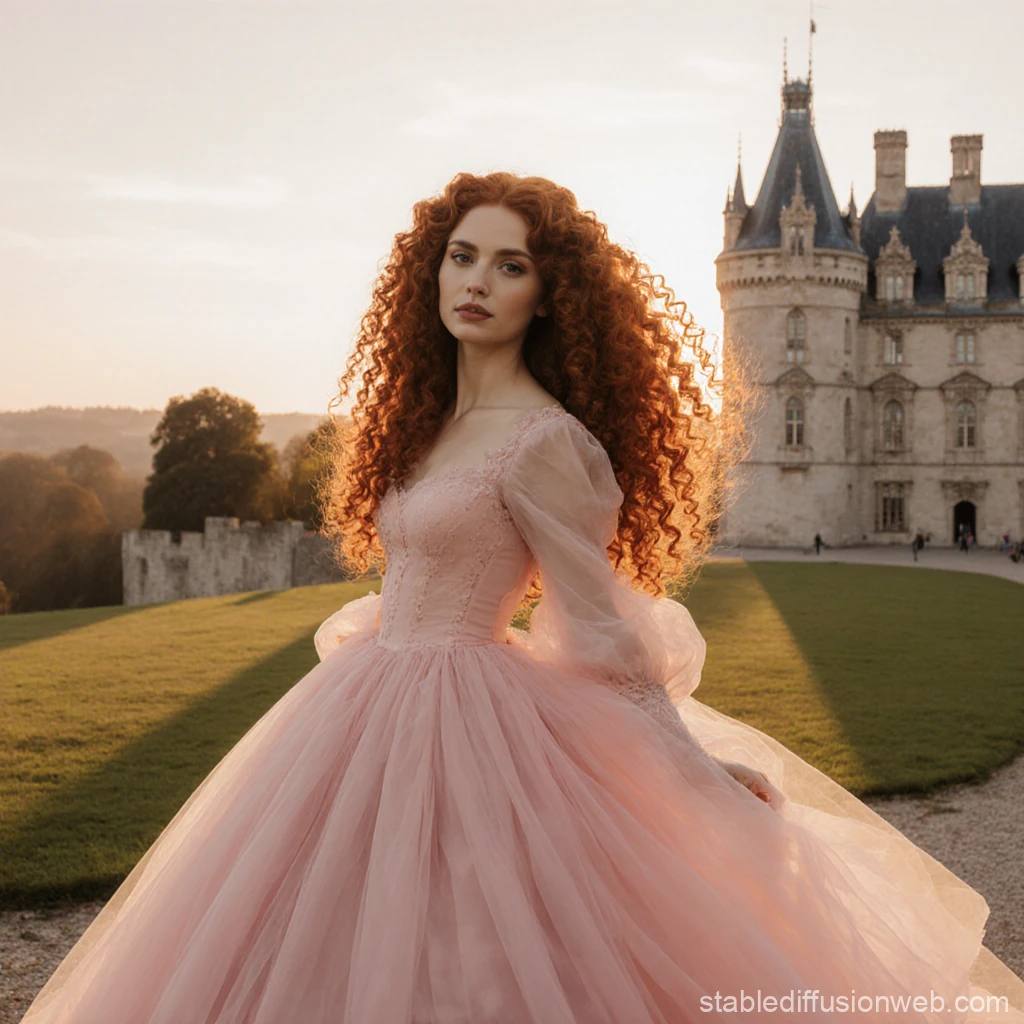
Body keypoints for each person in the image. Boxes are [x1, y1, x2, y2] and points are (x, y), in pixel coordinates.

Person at [21, 172, 1024, 1023]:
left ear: (549, 295)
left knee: (472, 955)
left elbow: (597, 628)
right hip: (362, 706)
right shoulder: (424, 424)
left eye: (511, 265)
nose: (478, 281)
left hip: (473, 722)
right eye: (462, 255)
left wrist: (693, 765)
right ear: (433, 268)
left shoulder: (544, 439)